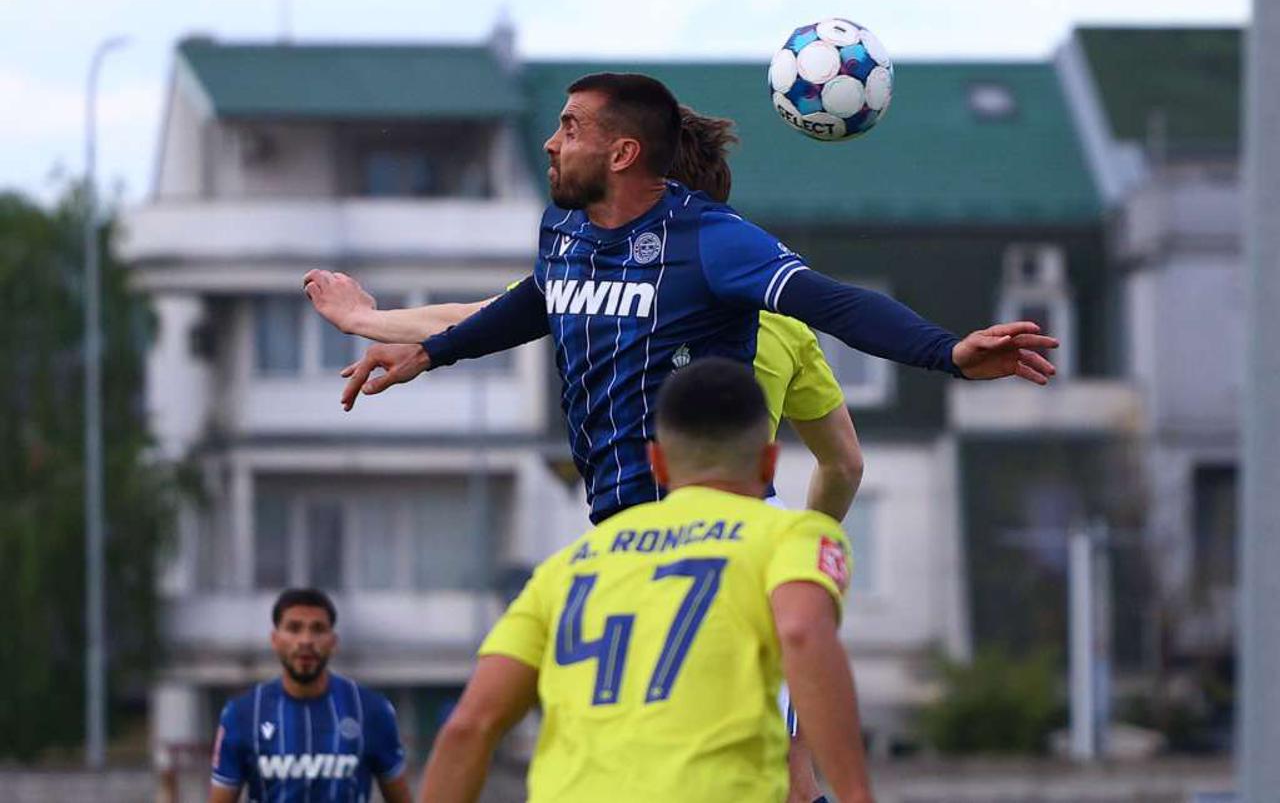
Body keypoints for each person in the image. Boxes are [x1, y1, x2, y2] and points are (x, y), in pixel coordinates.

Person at [305, 105, 859, 802]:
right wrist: (801, 547)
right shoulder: (778, 317)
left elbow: (485, 314)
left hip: (624, 550)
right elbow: (844, 464)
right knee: (777, 766)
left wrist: (367, 319)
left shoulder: (603, 293)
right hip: (739, 547)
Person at [326, 72, 1057, 527]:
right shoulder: (564, 231)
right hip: (617, 523)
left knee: (740, 734)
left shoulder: (711, 239)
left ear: (622, 153)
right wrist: (428, 351)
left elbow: (830, 302)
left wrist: (946, 353)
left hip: (714, 524)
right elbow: (533, 304)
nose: (550, 143)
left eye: (569, 128)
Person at [417, 358, 875, 803]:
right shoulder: (793, 538)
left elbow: (470, 726)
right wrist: (856, 793)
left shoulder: (570, 565)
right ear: (769, 462)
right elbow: (801, 632)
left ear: (657, 462)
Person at [209, 588, 412, 803]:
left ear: (333, 641)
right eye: (294, 628)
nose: (306, 640)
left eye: (318, 629)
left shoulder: (372, 711)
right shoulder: (242, 714)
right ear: (275, 639)